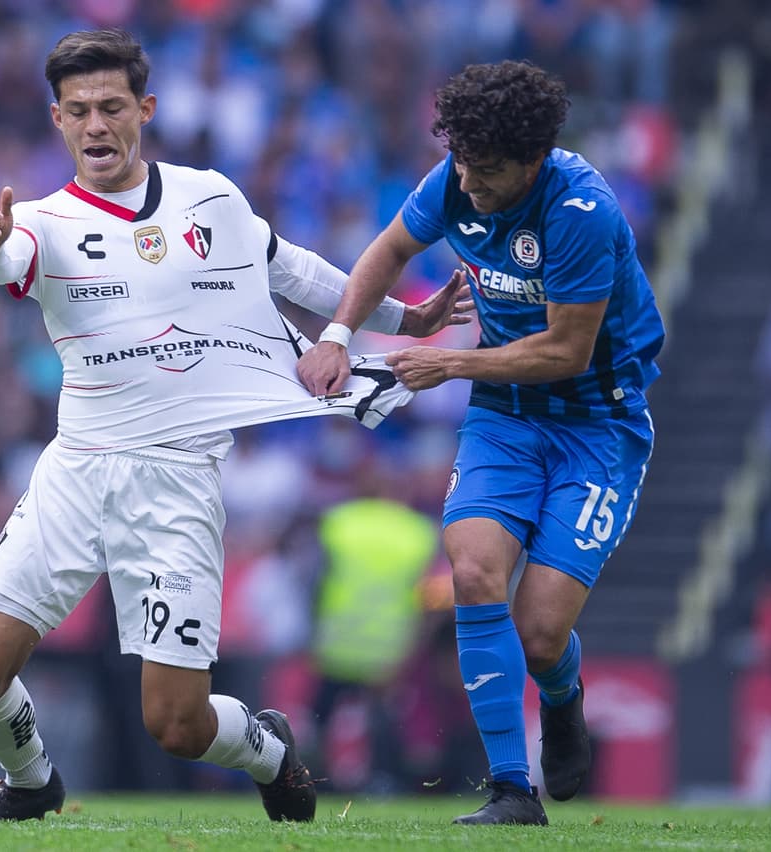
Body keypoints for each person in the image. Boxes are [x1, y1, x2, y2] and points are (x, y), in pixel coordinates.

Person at [0, 28, 474, 824]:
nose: (97, 125)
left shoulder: (210, 197)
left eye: (112, 107)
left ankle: (266, 746)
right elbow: (1, 261)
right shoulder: (43, 222)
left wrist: (403, 318)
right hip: (77, 473)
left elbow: (289, 267)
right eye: (80, 110)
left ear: (145, 110)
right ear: (57, 120)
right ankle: (31, 781)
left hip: (177, 482)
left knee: (177, 724)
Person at [297, 59, 665, 825]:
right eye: (461, 164)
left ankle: (562, 699)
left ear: (532, 161)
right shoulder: (455, 178)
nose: (468, 186)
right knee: (470, 570)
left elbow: (565, 350)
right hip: (505, 414)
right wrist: (336, 334)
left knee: (539, 633)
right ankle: (509, 790)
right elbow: (388, 250)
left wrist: (450, 362)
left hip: (596, 424)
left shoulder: (581, 212)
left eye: (487, 172)